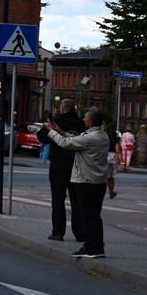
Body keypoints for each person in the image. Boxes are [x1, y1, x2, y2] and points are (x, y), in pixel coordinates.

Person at [45, 107, 111, 258]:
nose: (83, 119)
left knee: (87, 215)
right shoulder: (103, 136)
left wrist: (51, 131)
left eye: (85, 117)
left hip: (86, 180)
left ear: (91, 121)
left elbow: (66, 144)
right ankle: (97, 246)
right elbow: (73, 139)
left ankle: (91, 247)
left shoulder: (90, 138)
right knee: (95, 215)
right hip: (99, 182)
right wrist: (60, 130)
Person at [37, 98, 86, 241]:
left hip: (59, 163)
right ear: (74, 108)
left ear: (62, 108)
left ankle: (58, 232)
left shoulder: (56, 121)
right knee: (77, 200)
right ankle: (80, 233)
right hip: (76, 164)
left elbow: (43, 138)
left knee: (58, 198)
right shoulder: (82, 123)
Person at [106, 126, 119, 198]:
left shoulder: (104, 137)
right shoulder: (116, 139)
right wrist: (122, 162)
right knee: (111, 177)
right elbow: (118, 150)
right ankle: (111, 193)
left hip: (104, 155)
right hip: (113, 157)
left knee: (103, 176)